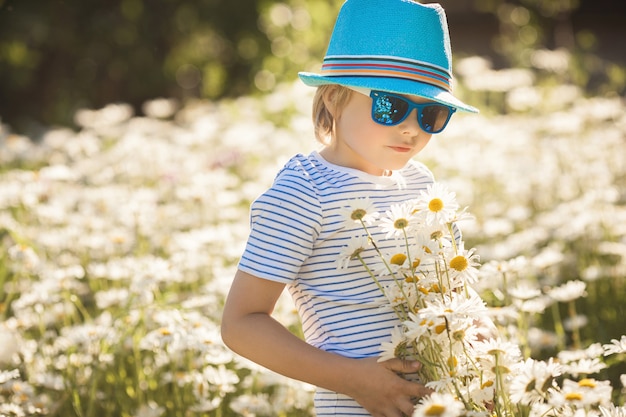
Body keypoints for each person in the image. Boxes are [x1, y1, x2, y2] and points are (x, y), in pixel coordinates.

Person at [221, 0, 479, 416]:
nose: (411, 128)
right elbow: (241, 324)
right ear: (334, 100)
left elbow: (459, 294)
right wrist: (355, 380)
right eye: (390, 106)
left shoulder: (423, 186)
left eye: (432, 113)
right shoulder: (304, 192)